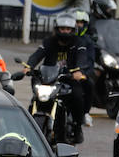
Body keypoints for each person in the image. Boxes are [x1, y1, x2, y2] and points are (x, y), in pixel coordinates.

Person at [26, 13, 93, 143]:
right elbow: (38, 54)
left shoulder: (79, 43)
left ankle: (78, 125)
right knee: (36, 96)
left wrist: (78, 70)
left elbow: (82, 57)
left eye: (68, 29)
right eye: (62, 29)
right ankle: (29, 124)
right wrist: (29, 66)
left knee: (78, 95)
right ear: (57, 29)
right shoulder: (49, 42)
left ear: (73, 30)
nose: (65, 31)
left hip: (69, 77)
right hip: (49, 78)